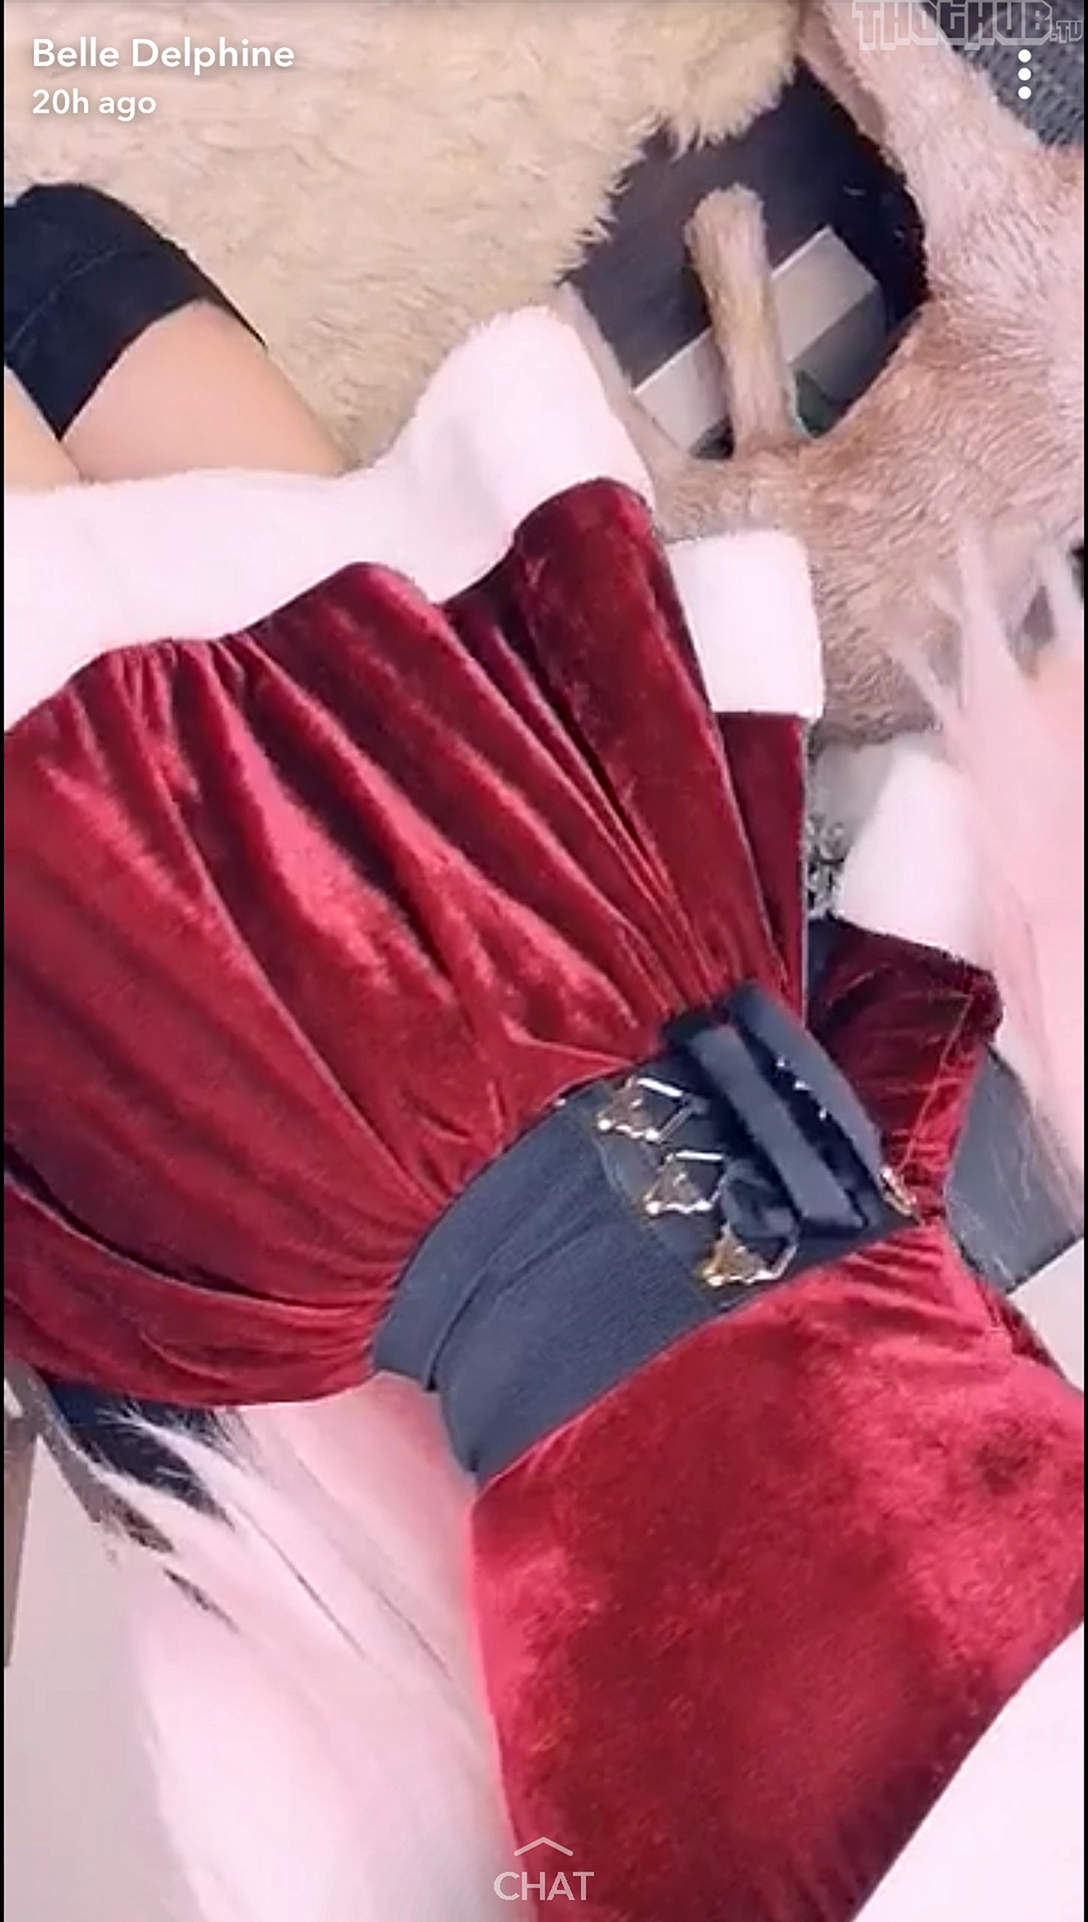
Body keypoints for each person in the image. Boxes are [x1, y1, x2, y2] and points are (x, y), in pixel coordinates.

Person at [4, 186, 1083, 1922]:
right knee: (120, 336)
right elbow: (895, 1283)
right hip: (624, 942)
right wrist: (917, 963)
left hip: (360, 1127)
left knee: (113, 681)